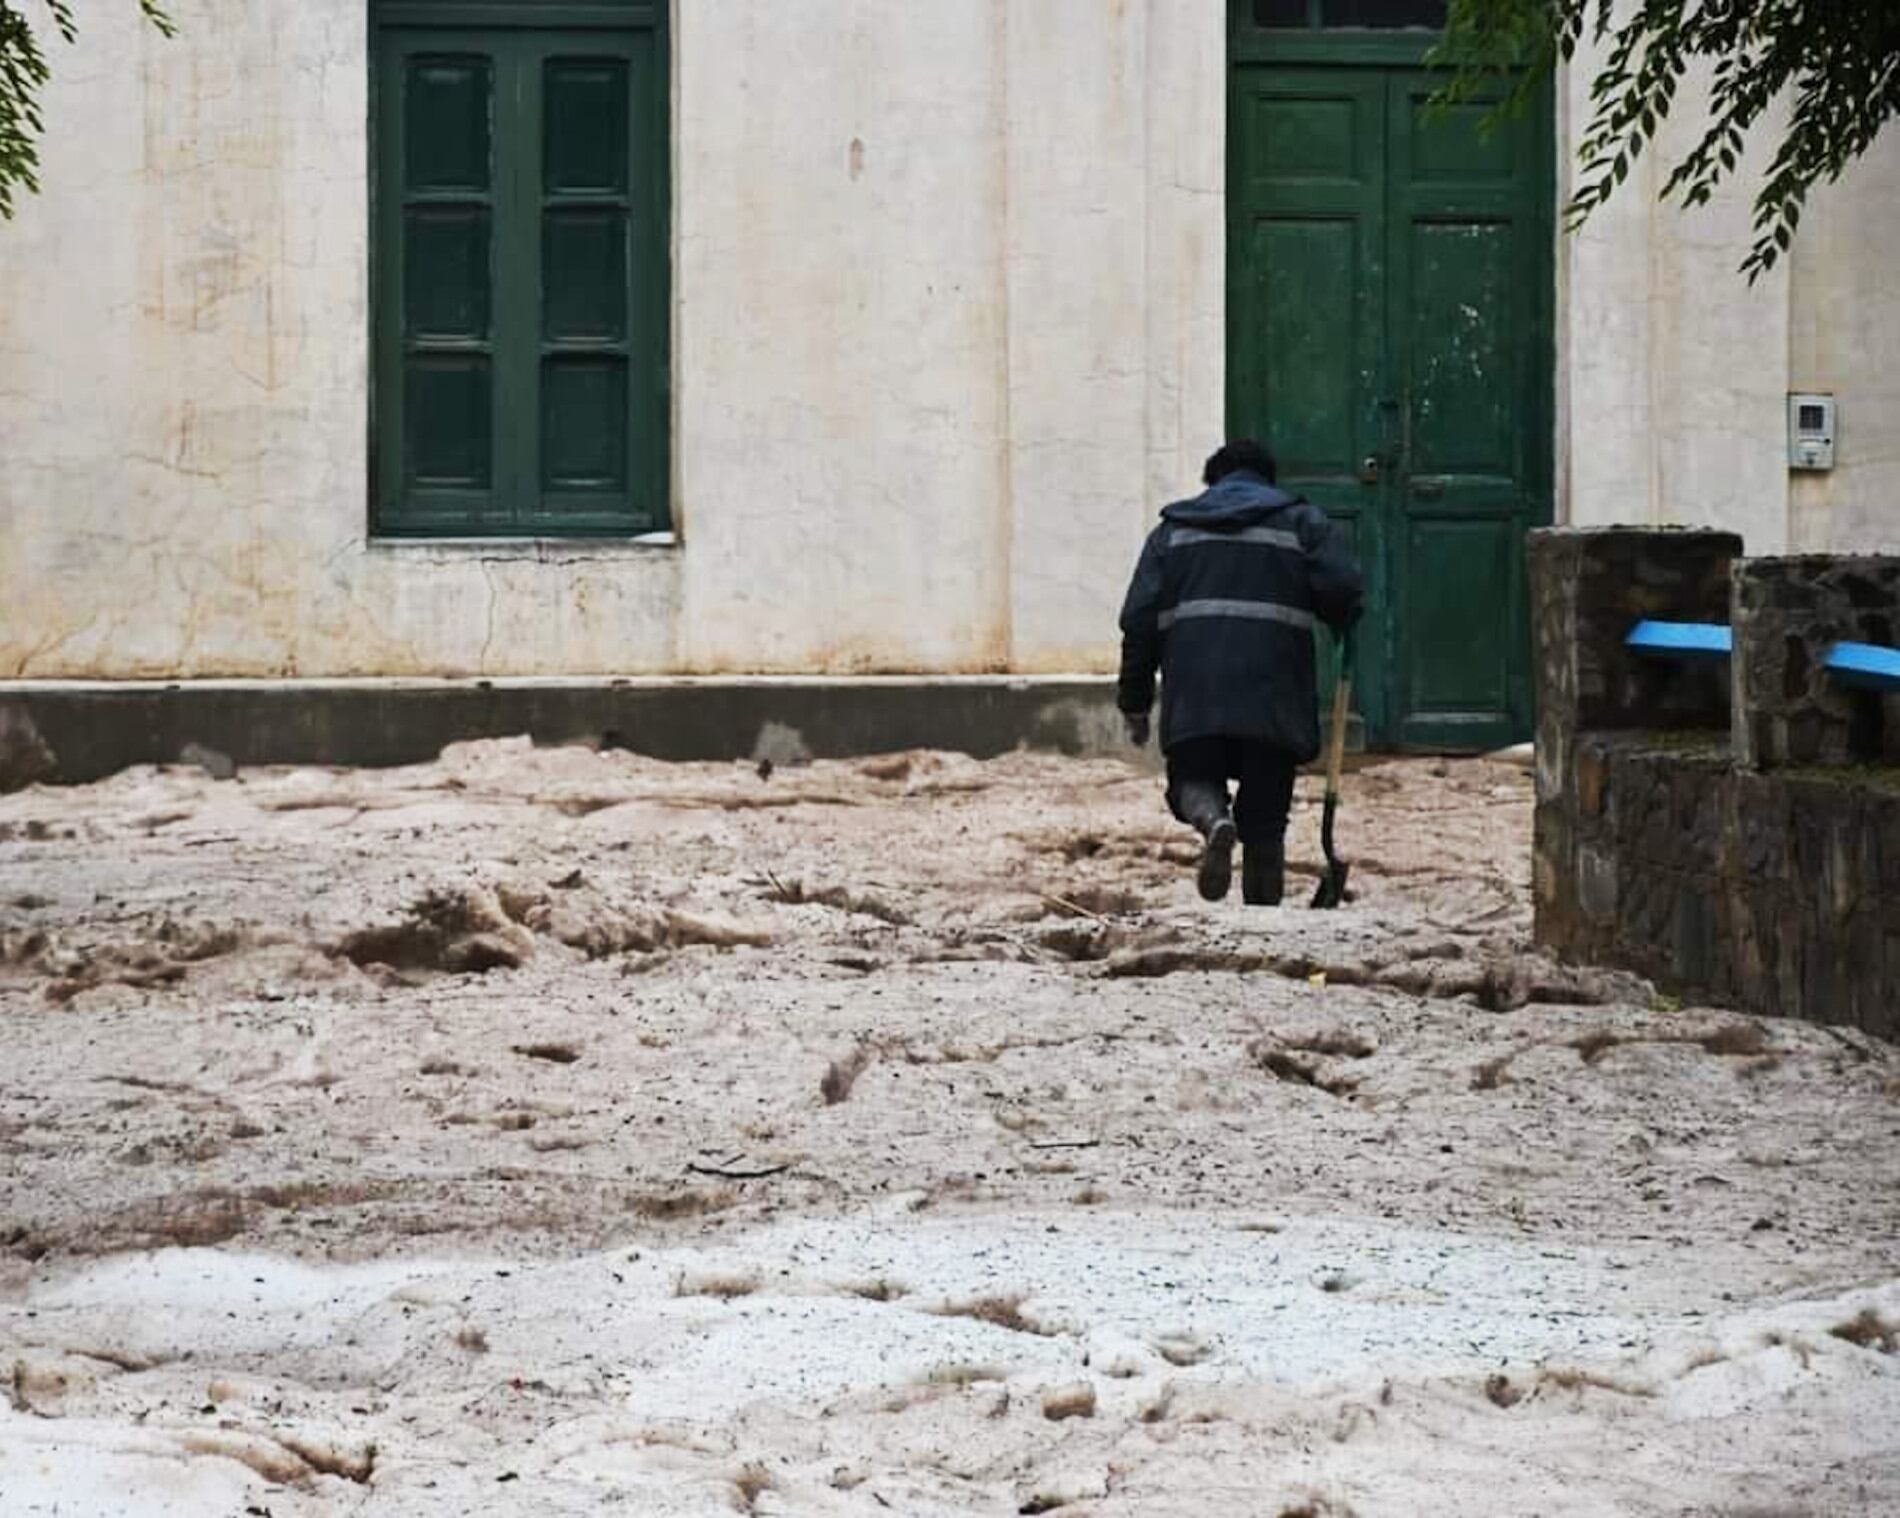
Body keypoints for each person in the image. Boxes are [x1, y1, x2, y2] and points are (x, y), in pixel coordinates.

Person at [1116, 439, 1363, 905]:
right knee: (1266, 817)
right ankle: (1263, 924)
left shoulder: (1172, 533)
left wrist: (1135, 700)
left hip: (1195, 690)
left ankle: (1213, 821)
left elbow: (1138, 621)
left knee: (1191, 777)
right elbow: (1344, 588)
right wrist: (1342, 615)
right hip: (1275, 692)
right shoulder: (1302, 522)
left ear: (1212, 482)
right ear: (1268, 481)